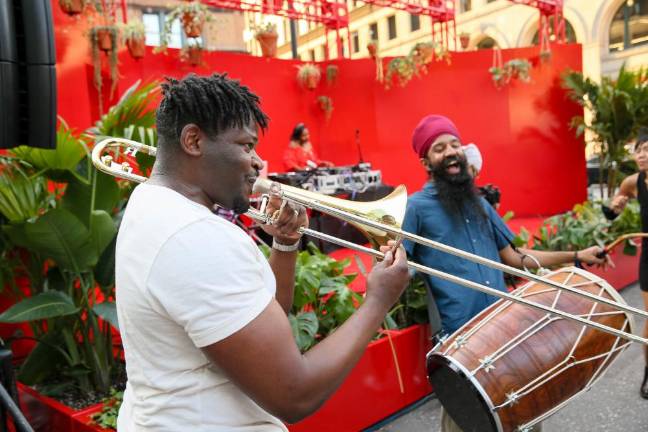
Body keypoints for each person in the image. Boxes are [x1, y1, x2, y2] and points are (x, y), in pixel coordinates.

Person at [115, 73, 410, 431]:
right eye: (245, 145)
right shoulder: (195, 236)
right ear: (193, 140)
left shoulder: (151, 204)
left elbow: (262, 318)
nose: (257, 162)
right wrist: (378, 301)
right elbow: (295, 394)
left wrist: (284, 244)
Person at [402, 114, 606, 432]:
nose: (451, 152)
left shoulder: (479, 203)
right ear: (426, 161)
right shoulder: (416, 208)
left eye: (455, 144)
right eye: (439, 148)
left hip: (504, 329)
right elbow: (399, 266)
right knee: (466, 423)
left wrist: (576, 256)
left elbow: (514, 257)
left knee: (524, 417)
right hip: (461, 341)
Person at [605, 128, 648, 399]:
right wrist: (615, 208)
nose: (642, 155)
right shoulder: (633, 182)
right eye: (638, 150)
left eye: (647, 149)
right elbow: (611, 213)